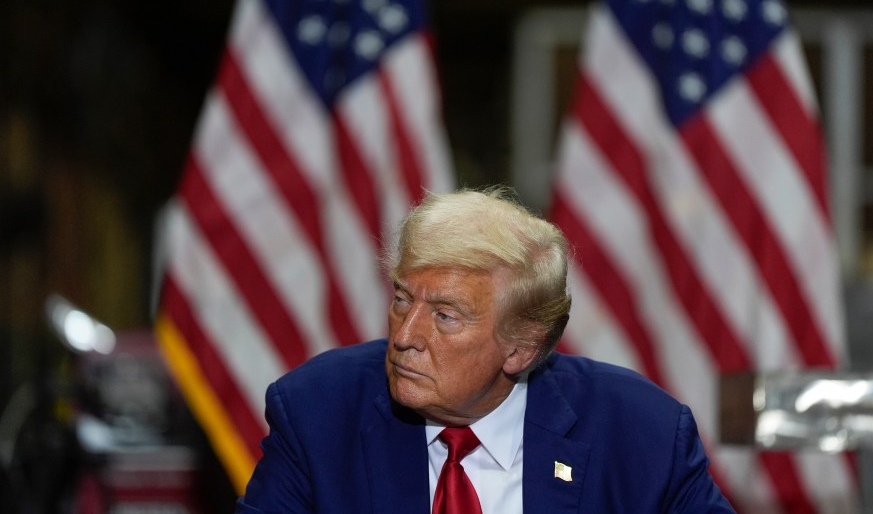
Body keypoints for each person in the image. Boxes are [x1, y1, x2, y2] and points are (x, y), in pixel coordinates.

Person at [236, 187, 734, 513]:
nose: (405, 335)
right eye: (401, 299)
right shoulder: (319, 410)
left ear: (520, 348)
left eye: (445, 316)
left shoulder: (640, 433)